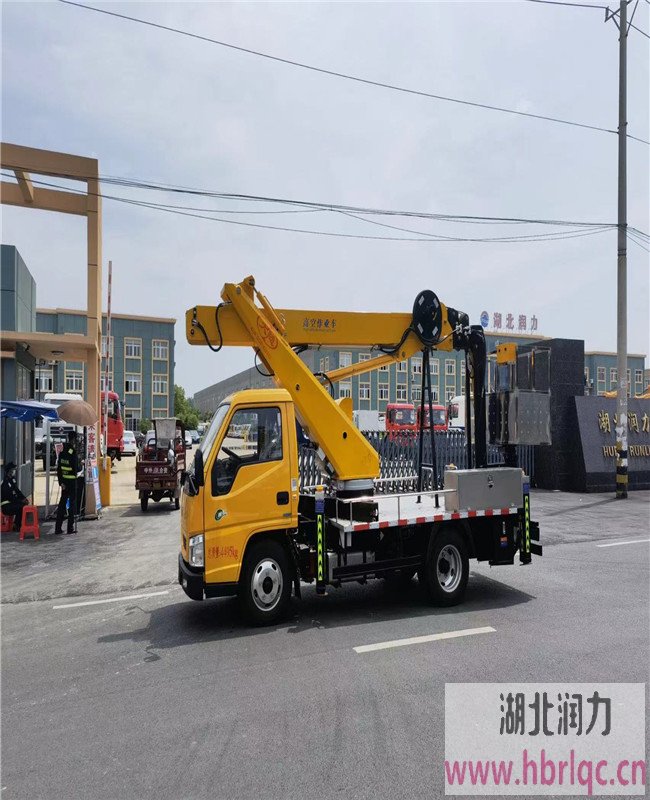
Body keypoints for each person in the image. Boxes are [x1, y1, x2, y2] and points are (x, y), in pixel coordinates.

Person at [55, 431, 80, 535]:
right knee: (72, 505)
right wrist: (80, 465)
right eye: (76, 439)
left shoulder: (62, 451)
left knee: (62, 505)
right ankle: (70, 528)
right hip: (72, 482)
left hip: (64, 483)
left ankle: (58, 528)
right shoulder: (72, 452)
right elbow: (76, 468)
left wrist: (61, 482)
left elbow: (59, 469)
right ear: (73, 439)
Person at [1, 462, 29, 531]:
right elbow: (10, 497)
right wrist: (20, 501)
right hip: (6, 506)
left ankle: (18, 524)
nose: (14, 471)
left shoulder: (12, 479)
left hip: (12, 503)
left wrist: (24, 498)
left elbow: (17, 491)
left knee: (24, 505)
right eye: (13, 470)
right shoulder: (5, 482)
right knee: (21, 507)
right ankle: (16, 525)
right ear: (9, 471)